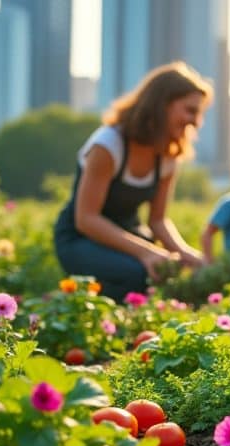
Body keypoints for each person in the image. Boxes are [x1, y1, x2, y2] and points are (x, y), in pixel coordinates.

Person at [54, 62, 211, 302]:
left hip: (129, 236)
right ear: (162, 105)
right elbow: (86, 219)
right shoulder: (108, 145)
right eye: (190, 110)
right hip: (79, 239)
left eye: (198, 113)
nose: (196, 121)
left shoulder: (168, 155)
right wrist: (147, 253)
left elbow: (158, 220)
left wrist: (187, 255)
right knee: (138, 274)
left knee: (171, 275)